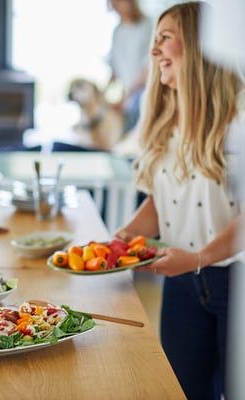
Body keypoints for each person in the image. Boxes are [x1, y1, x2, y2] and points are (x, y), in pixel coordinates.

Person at [113, 3, 245, 399]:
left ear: (202, 44)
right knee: (183, 391)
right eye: (154, 40)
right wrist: (123, 236)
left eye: (165, 38)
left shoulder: (240, 119)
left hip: (234, 283)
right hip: (182, 281)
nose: (153, 52)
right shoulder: (167, 120)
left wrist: (200, 257)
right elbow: (163, 197)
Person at [107, 0, 153, 133]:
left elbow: (148, 65)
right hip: (128, 94)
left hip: (143, 91)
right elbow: (114, 66)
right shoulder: (117, 31)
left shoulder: (147, 25)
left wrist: (128, 95)